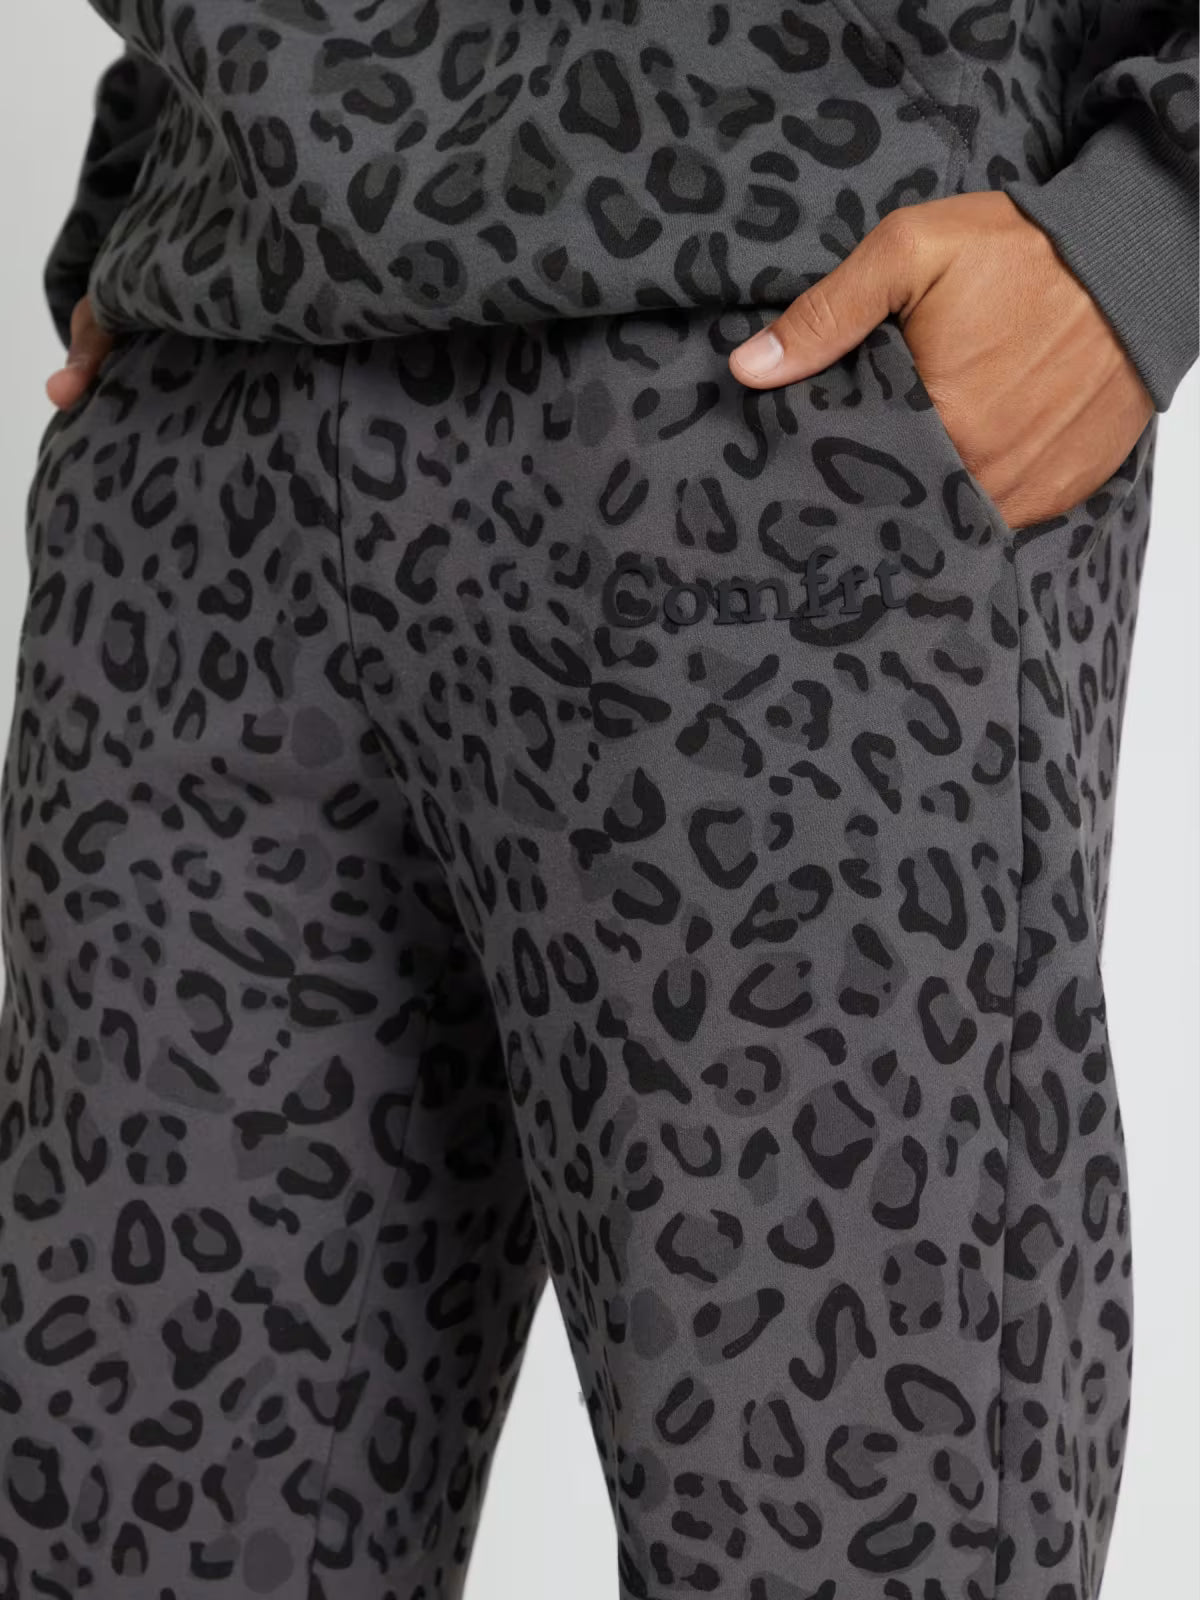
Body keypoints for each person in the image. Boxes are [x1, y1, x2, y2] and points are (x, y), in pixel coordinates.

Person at [3, 3, 1196, 1598]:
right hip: (208, 443)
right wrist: (160, 173)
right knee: (127, 1532)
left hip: (778, 412)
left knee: (835, 1526)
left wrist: (1143, 230)